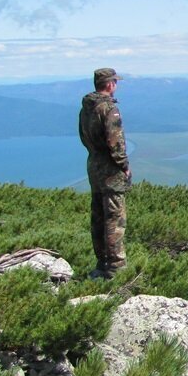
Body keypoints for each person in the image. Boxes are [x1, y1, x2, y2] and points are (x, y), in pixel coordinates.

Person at [79, 67, 132, 279]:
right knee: (115, 217)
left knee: (98, 215)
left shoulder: (86, 108)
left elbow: (83, 136)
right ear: (110, 84)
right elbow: (115, 141)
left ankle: (101, 263)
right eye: (115, 82)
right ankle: (116, 268)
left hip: (93, 164)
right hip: (110, 169)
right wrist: (124, 164)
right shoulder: (109, 109)